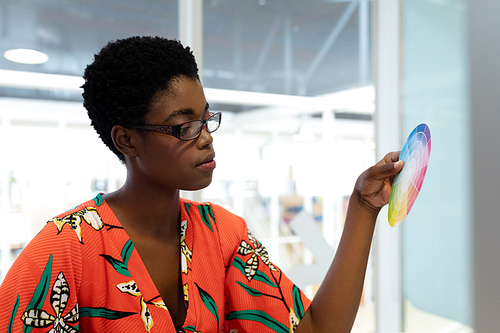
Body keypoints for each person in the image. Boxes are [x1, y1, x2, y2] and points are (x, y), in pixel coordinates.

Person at [0, 36, 403, 333]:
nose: (206, 136)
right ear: (127, 140)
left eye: (206, 119)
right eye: (183, 126)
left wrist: (363, 207)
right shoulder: (64, 250)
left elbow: (315, 330)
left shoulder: (221, 236)